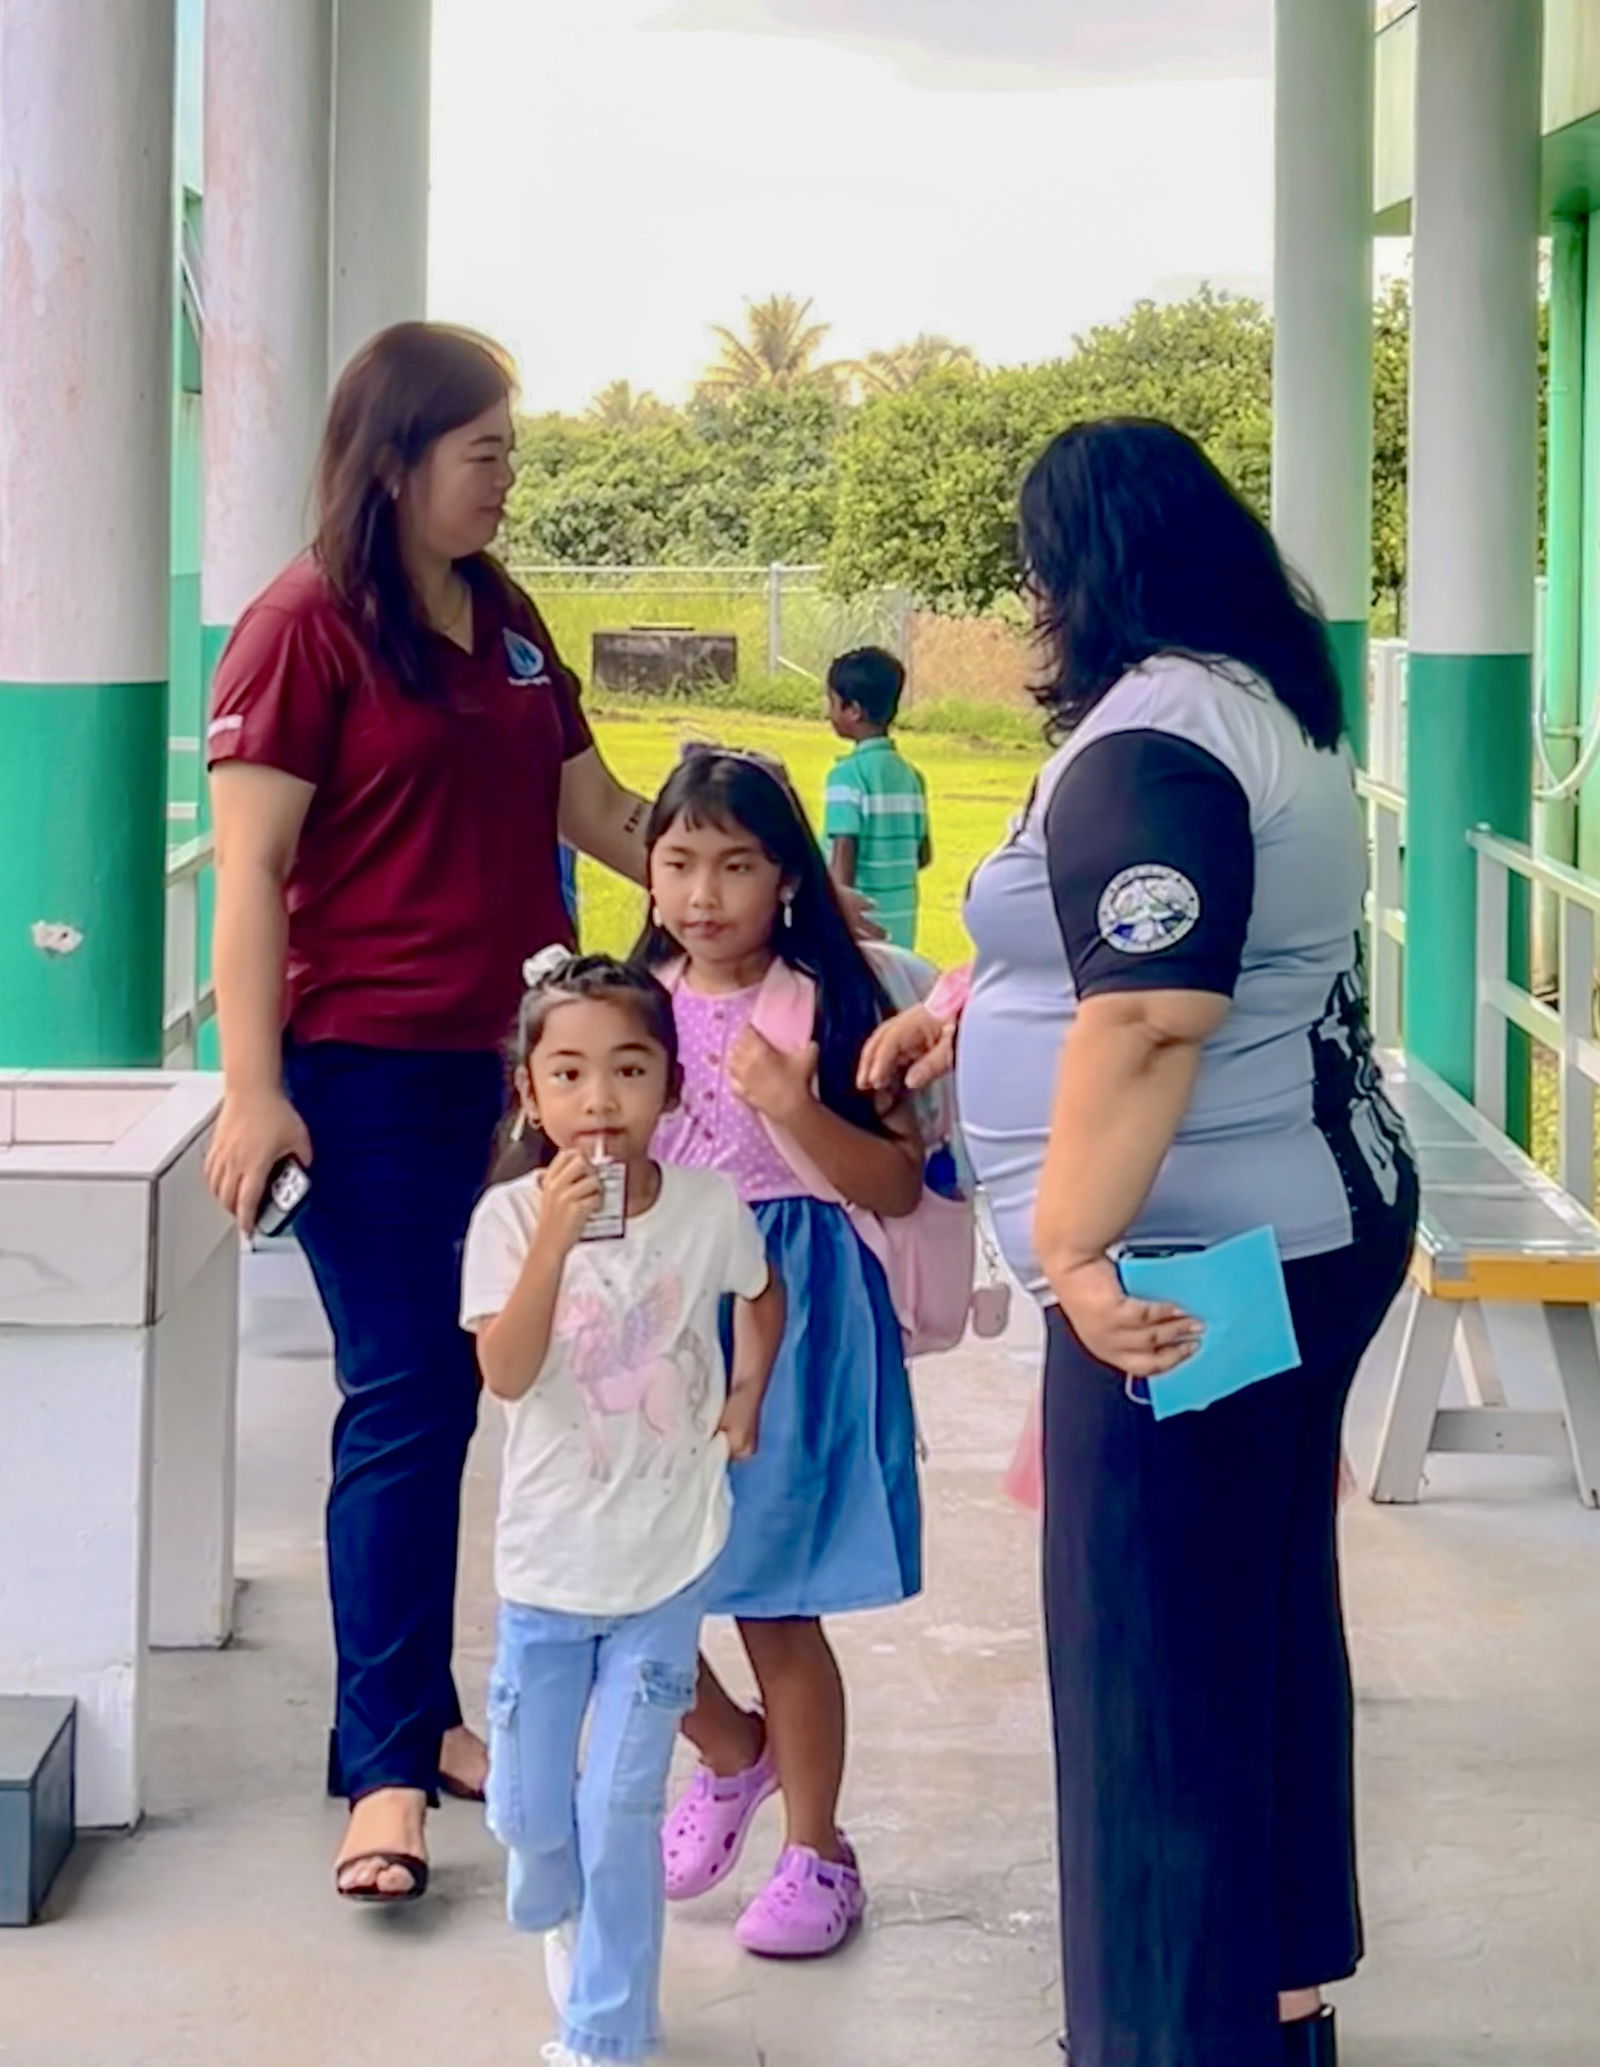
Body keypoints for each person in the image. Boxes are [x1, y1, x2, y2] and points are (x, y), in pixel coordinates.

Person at [862, 419, 1418, 2067]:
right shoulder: (1241, 701)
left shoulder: (1161, 735)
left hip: (1194, 1265)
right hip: (1277, 1225)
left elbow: (1162, 1015)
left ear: (1078, 570)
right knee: (1241, 1609)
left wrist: (1066, 1244)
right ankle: (1276, 1988)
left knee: (1152, 1661)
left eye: (1037, 562)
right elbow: (1124, 955)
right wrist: (971, 1017)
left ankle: (1179, 2034)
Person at [202, 323, 656, 1905]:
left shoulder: (510, 621)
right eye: (485, 453)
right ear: (396, 461)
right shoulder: (300, 630)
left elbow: (594, 810)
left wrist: (751, 874)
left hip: (519, 1073)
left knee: (510, 1388)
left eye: (512, 451)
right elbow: (252, 873)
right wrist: (255, 1088)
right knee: (408, 1398)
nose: (508, 479)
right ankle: (385, 1767)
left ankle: (431, 1712)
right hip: (368, 1075)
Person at [461, 953, 783, 2067]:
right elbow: (504, 1372)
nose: (599, 1101)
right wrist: (555, 1237)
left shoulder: (707, 1209)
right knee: (532, 1813)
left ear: (672, 1086)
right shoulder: (506, 1221)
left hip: (666, 1557)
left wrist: (743, 1396)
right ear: (530, 1093)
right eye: (569, 1074)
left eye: (629, 1070)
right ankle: (548, 1890)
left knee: (621, 1810)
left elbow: (760, 1290)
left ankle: (607, 2032)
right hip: (547, 1571)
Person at [639, 748, 925, 1958]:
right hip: (656, 1310)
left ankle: (819, 1849)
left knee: (773, 1602)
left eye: (737, 864)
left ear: (788, 879)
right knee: (631, 1584)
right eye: (679, 861)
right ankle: (729, 1749)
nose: (705, 893)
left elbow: (898, 1184)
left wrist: (790, 1106)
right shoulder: (625, 1003)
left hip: (794, 1309)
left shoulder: (832, 1004)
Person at [823, 647, 931, 950]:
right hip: (902, 929)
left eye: (832, 703)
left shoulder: (846, 776)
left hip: (860, 928)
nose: (828, 713)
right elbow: (922, 855)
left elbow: (844, 851)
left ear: (853, 710)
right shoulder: (911, 777)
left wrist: (836, 912)